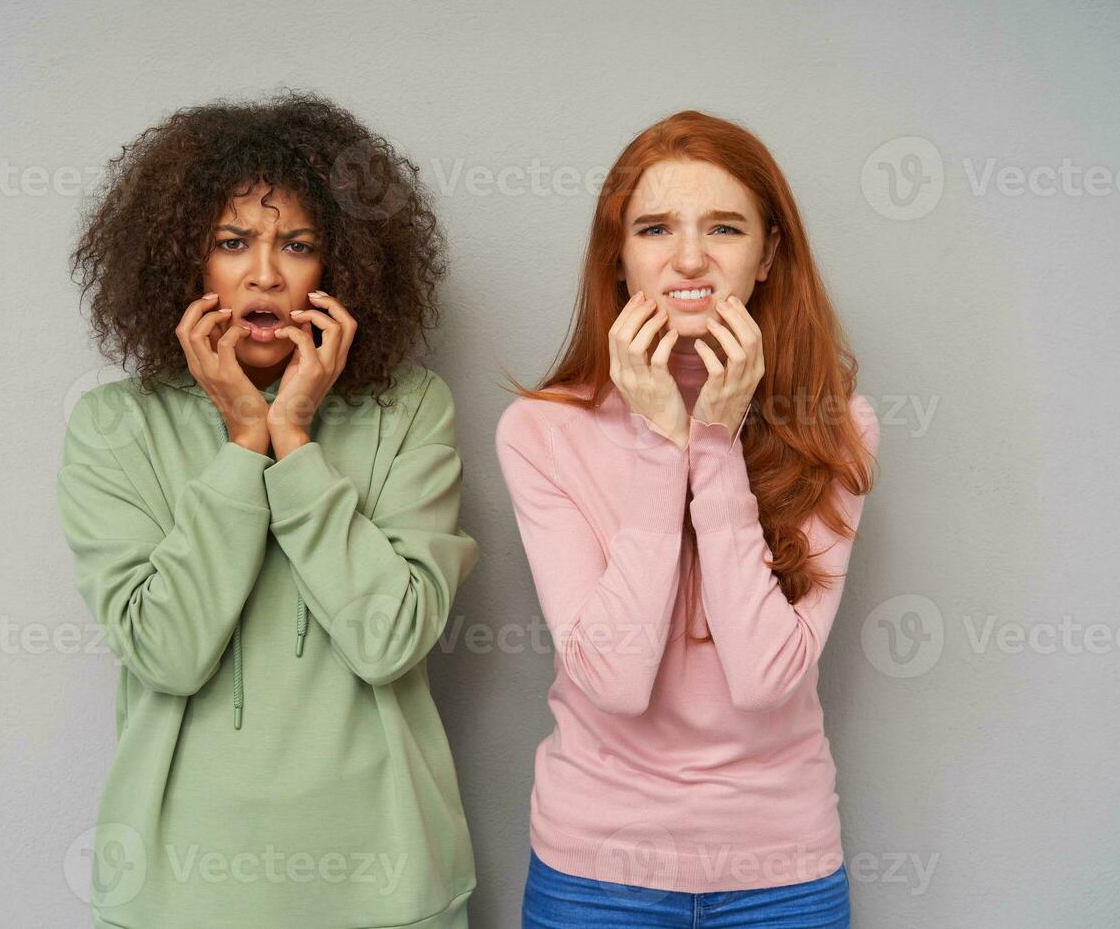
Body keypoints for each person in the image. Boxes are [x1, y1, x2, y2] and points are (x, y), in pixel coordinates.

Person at [57, 91, 479, 928]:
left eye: (297, 245)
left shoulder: (410, 410)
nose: (265, 274)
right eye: (231, 242)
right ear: (182, 259)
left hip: (386, 888)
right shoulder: (114, 426)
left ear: (344, 266)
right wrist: (243, 445)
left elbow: (388, 637)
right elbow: (169, 654)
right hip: (178, 894)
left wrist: (293, 439)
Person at [495, 110, 881, 927]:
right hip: (594, 875)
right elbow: (614, 682)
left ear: (770, 254)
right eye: (656, 227)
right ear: (620, 257)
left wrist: (711, 439)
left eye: (726, 227)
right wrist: (660, 446)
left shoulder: (838, 427)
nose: (691, 257)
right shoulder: (540, 432)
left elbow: (767, 679)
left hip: (783, 876)